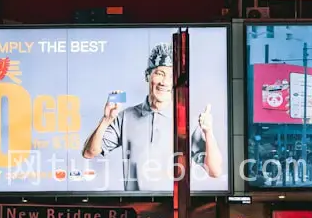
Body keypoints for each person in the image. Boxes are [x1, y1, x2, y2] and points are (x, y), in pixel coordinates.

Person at [81, 41, 223, 191]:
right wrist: (106, 120)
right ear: (147, 76)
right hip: (136, 207)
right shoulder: (126, 117)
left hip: (174, 209)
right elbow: (90, 152)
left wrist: (208, 132)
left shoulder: (188, 119)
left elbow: (214, 171)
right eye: (159, 74)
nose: (164, 82)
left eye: (171, 76)